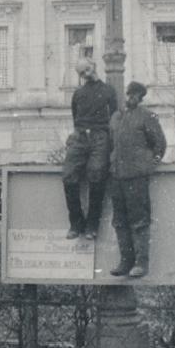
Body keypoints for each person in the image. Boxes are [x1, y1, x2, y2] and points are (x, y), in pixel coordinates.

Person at [109, 81, 167, 278]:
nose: (130, 97)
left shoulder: (147, 116)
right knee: (119, 222)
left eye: (135, 94)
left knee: (139, 221)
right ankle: (126, 262)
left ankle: (141, 263)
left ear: (141, 97)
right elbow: (110, 144)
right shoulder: (116, 118)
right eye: (129, 93)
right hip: (117, 176)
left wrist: (148, 165)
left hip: (136, 178)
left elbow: (159, 144)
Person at [61, 58, 117, 239]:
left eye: (87, 69)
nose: (86, 74)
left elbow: (114, 119)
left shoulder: (108, 91)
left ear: (94, 65)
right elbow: (75, 117)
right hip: (80, 137)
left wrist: (110, 144)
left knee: (96, 173)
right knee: (68, 175)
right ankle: (76, 224)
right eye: (81, 73)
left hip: (100, 137)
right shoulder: (78, 94)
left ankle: (92, 225)